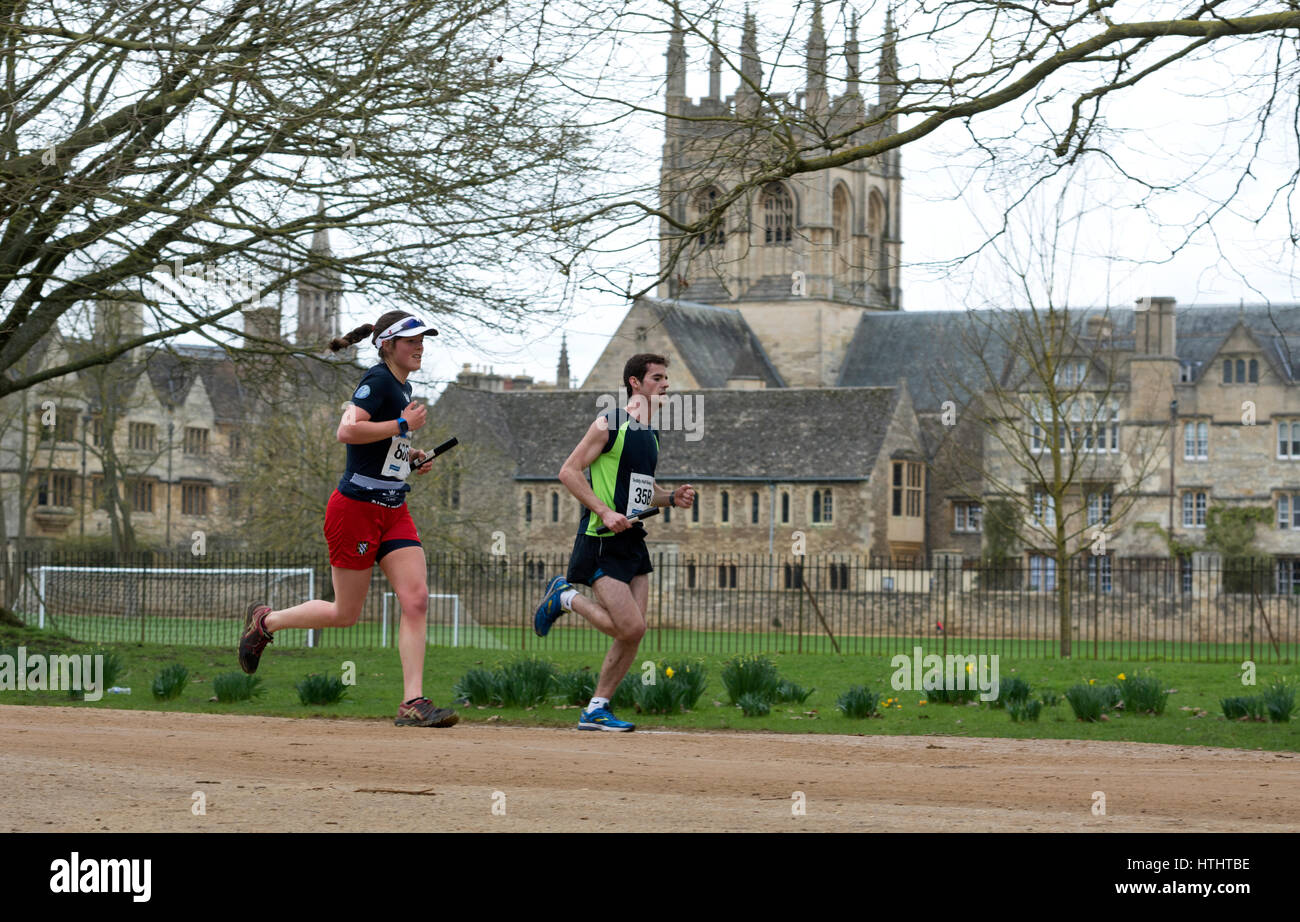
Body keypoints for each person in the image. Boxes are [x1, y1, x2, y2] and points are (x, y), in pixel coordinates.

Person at [237, 310, 459, 728]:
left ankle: (413, 702)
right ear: (387, 345)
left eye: (422, 340)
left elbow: (378, 448)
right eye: (411, 340)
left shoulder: (401, 385)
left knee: (416, 599)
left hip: (394, 509)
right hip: (355, 509)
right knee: (346, 613)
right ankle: (266, 622)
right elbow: (348, 432)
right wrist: (400, 424)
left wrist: (409, 456)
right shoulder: (376, 381)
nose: (420, 346)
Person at [532, 353, 695, 731]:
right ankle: (565, 597)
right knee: (631, 627)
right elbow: (568, 472)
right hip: (601, 537)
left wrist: (670, 498)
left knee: (634, 632)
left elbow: (641, 491)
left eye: (666, 378)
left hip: (633, 540)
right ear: (635, 383)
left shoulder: (652, 434)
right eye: (657, 377)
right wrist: (605, 512)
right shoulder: (610, 423)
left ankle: (596, 709)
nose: (666, 384)